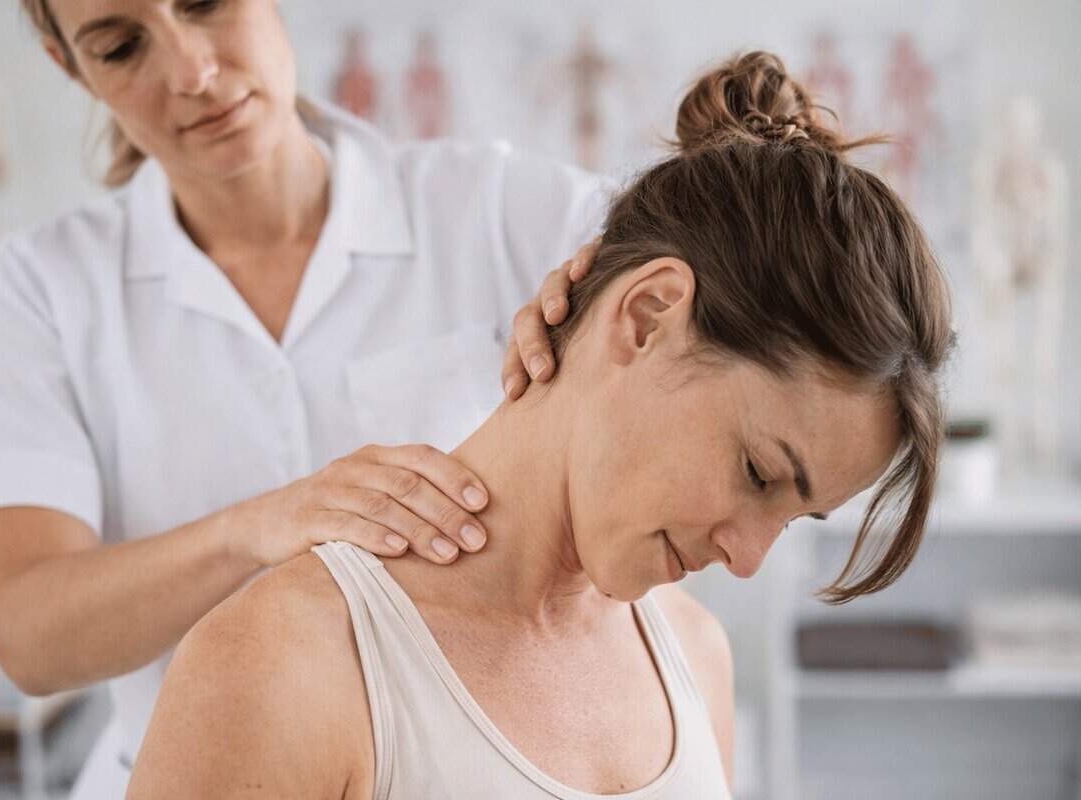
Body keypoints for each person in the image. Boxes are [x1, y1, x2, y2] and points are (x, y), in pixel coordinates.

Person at [127, 51, 956, 798]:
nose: (745, 560)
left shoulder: (695, 660)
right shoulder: (289, 663)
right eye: (758, 474)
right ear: (645, 316)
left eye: (791, 518)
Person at [0, 1, 609, 796]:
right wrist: (256, 528)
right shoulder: (49, 285)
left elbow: (713, 276)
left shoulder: (502, 211)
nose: (191, 73)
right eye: (120, 47)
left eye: (206, 4)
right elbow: (31, 635)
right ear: (67, 63)